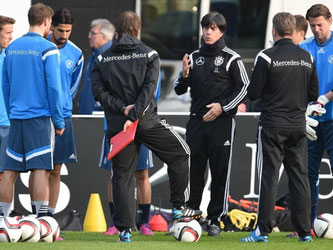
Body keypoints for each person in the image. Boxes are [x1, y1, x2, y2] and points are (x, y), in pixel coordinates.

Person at [92, 11, 201, 242]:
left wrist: (123, 110)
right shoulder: (150, 54)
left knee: (122, 175)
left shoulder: (102, 59)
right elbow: (149, 90)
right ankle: (179, 208)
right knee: (181, 152)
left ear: (118, 29)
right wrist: (134, 114)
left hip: (119, 125)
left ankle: (124, 230)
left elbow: (98, 93)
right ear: (138, 28)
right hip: (146, 122)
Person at [240, 12, 318, 243]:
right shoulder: (306, 57)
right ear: (293, 31)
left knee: (269, 178)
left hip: (272, 125)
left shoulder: (266, 56)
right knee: (300, 178)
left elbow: (253, 93)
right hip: (297, 125)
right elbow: (313, 94)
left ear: (274, 31)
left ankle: (262, 231)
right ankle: (305, 232)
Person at [174, 12, 249, 236]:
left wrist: (222, 107)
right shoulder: (194, 56)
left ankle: (216, 218)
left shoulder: (231, 58)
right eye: (206, 27)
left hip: (222, 122)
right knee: (195, 169)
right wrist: (185, 74)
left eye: (213, 28)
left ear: (222, 32)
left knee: (220, 172)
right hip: (197, 121)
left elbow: (245, 88)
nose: (208, 32)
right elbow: (179, 89)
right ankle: (193, 211)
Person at [0, 3, 64, 218]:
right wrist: (59, 120)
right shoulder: (48, 49)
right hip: (39, 118)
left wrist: (12, 111)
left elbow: (5, 85)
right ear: (46, 21)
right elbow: (54, 88)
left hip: (16, 117)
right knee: (40, 169)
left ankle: (3, 219)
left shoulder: (11, 48)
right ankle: (41, 219)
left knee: (10, 170)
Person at [101, 74, 161, 236]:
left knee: (142, 173)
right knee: (116, 174)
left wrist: (135, 112)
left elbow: (153, 93)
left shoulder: (149, 59)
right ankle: (116, 222)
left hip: (140, 126)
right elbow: (101, 91)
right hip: (114, 127)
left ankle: (143, 222)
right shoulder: (109, 60)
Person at [45, 8, 83, 217]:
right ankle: (37, 215)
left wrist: (59, 109)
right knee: (39, 169)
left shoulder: (76, 53)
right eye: (61, 30)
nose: (64, 35)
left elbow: (71, 89)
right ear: (51, 26)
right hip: (40, 116)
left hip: (63, 117)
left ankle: (49, 218)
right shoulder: (41, 47)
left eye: (68, 31)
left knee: (56, 169)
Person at [299, 4, 333, 232]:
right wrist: (305, 108)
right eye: (312, 25)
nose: (316, 29)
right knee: (308, 175)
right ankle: (307, 226)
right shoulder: (303, 48)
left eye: (319, 24)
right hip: (310, 122)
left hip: (332, 119)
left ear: (330, 20)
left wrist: (325, 98)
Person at [78, 19, 114, 114]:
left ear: (104, 36)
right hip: (86, 115)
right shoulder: (93, 55)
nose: (89, 36)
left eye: (93, 33)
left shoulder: (111, 57)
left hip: (100, 117)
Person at [0, 15, 15, 183]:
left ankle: (4, 210)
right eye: (7, 33)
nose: (11, 36)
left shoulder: (10, 56)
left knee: (4, 174)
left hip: (6, 124)